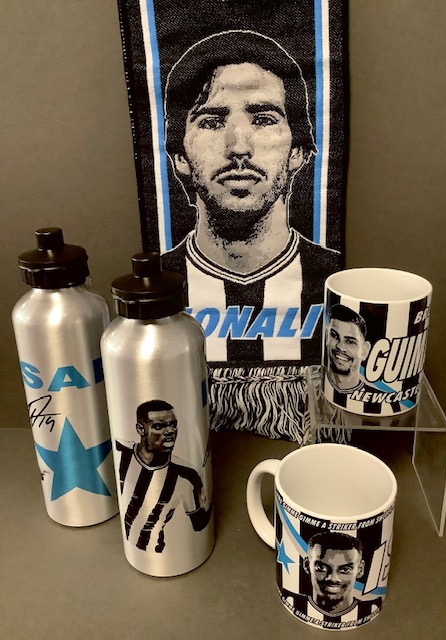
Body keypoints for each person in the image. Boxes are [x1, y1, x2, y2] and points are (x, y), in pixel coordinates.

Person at [161, 30, 341, 366]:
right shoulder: (156, 282)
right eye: (212, 122)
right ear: (179, 156)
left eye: (263, 120)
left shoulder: (337, 279)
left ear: (298, 151)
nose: (239, 148)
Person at [115, 399, 211, 553]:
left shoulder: (187, 475)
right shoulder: (120, 452)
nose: (170, 431)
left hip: (155, 553)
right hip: (119, 548)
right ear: (141, 429)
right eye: (159, 426)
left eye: (173, 425)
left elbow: (200, 523)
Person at [281, 532, 382, 625]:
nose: (333, 578)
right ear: (307, 565)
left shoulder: (372, 607)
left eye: (345, 569)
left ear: (360, 569)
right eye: (321, 568)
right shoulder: (290, 600)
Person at [325, 304, 371, 392]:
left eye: (350, 341)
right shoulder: (313, 384)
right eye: (334, 336)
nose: (340, 347)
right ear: (327, 336)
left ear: (364, 351)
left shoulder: (384, 399)